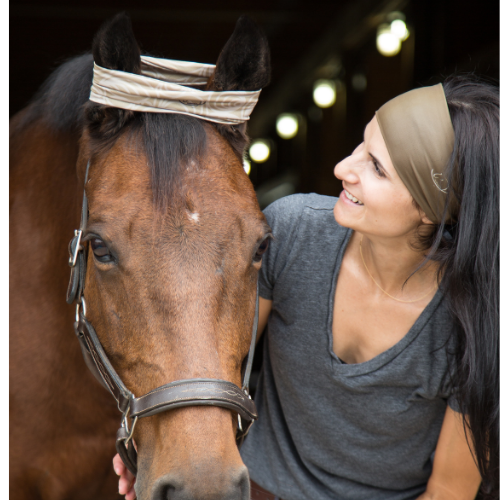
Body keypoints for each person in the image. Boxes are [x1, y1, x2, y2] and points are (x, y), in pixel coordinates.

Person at [115, 76, 499, 499]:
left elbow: (449, 491)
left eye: (375, 167)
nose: (343, 169)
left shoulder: (473, 321)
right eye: (361, 146)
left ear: (429, 210)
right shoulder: (292, 234)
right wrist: (160, 449)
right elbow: (210, 367)